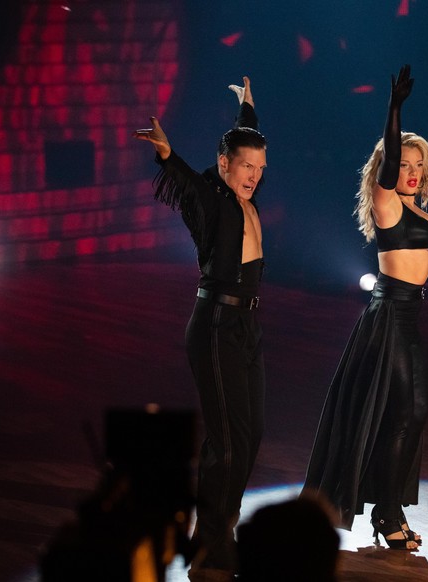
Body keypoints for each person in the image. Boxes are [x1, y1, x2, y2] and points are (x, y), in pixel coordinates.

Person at [303, 64, 428, 550]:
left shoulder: (419, 202)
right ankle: (387, 517)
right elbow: (391, 161)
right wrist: (395, 108)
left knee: (413, 414)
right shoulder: (387, 203)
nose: (411, 172)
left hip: (411, 318)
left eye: (417, 167)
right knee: (403, 414)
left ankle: (390, 508)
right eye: (404, 165)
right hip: (386, 317)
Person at [133, 76, 268, 580]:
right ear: (224, 165)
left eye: (259, 168)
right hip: (215, 322)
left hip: (248, 324)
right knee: (227, 439)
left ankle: (217, 529)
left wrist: (248, 113)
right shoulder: (212, 199)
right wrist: (168, 155)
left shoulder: (245, 192)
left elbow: (243, 146)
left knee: (250, 433)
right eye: (245, 167)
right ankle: (211, 547)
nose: (253, 175)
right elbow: (189, 182)